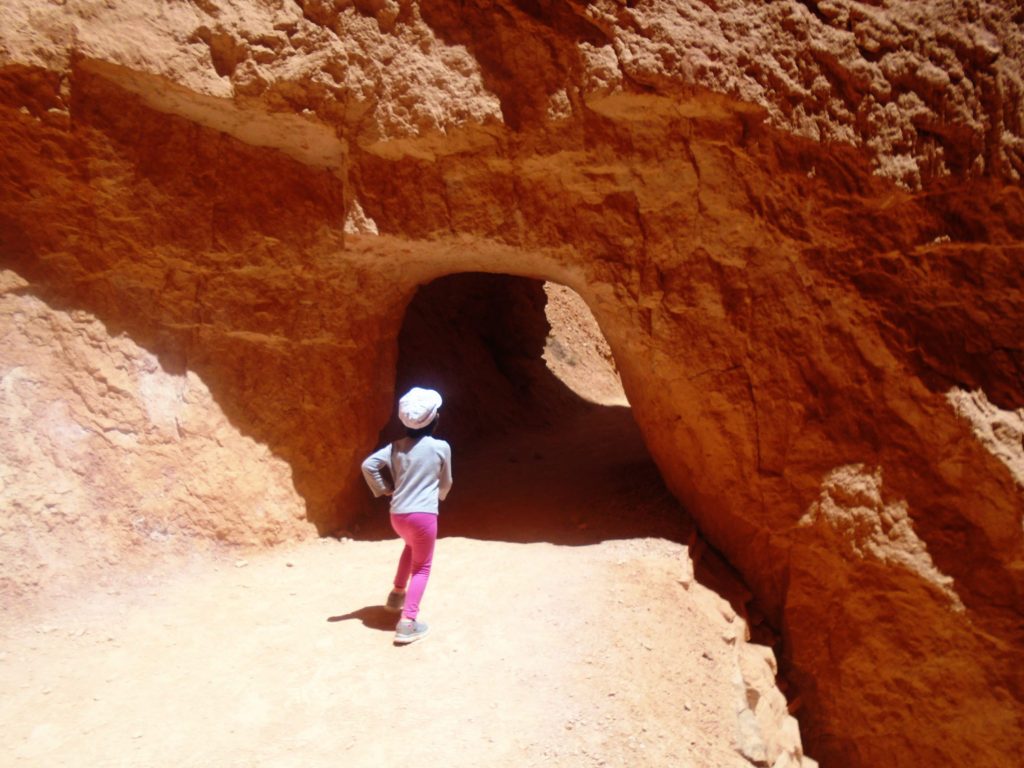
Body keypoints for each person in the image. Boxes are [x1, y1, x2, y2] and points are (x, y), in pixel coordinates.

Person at [361, 387, 452, 645]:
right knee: (422, 568)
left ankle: (396, 595)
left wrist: (384, 489)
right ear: (435, 419)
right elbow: (446, 481)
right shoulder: (440, 447)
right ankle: (408, 623)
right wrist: (439, 496)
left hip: (397, 515)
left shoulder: (395, 447)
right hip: (423, 516)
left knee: (410, 547)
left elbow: (368, 465)